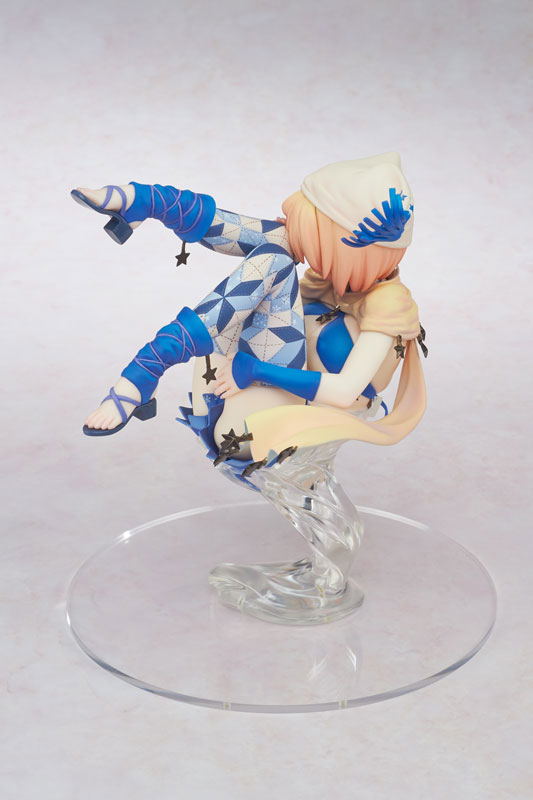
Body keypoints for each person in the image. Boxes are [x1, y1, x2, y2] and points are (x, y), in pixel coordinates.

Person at [72, 152, 426, 484]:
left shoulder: (388, 304)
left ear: (345, 245)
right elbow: (250, 231)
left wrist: (257, 370)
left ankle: (147, 367)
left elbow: (346, 391)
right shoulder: (333, 276)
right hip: (237, 394)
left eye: (313, 231)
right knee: (277, 245)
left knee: (276, 258)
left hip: (276, 427)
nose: (289, 227)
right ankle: (148, 201)